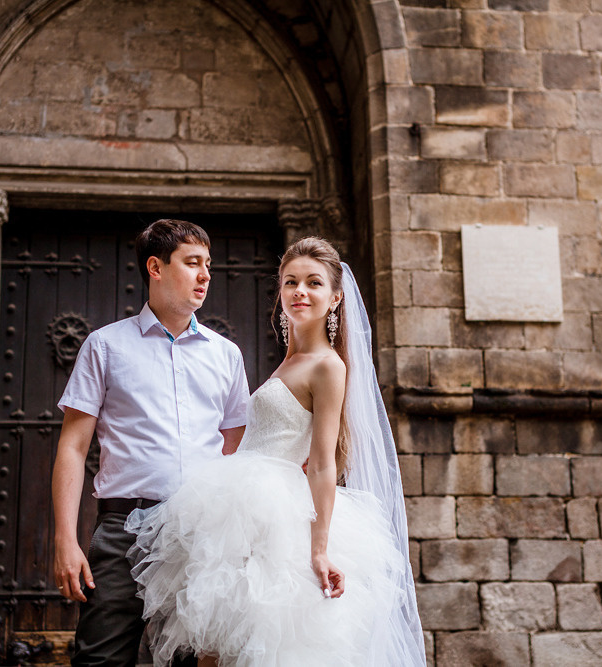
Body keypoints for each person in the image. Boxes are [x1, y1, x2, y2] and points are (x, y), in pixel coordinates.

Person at [125, 237, 427, 666]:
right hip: (241, 516)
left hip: (277, 520)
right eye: (291, 282)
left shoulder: (328, 364)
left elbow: (322, 462)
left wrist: (319, 550)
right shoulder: (289, 360)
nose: (300, 291)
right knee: (220, 649)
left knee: (262, 649)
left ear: (335, 297)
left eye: (313, 283)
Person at [52, 219, 250, 667]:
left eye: (209, 266)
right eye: (193, 263)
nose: (205, 276)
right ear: (156, 267)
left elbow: (235, 446)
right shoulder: (104, 346)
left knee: (183, 662)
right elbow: (72, 447)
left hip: (193, 536)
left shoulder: (226, 355)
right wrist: (66, 538)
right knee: (99, 659)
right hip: (122, 530)